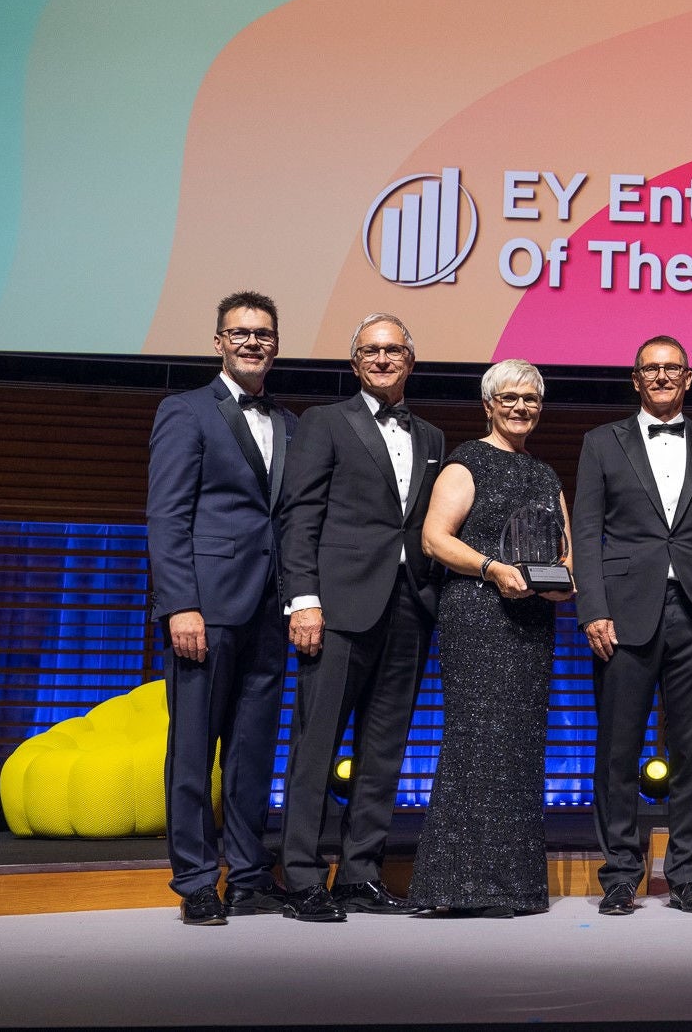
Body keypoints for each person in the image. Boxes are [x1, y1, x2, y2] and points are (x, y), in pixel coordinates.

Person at [277, 313, 445, 922]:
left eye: (393, 350)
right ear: (354, 364)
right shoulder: (324, 422)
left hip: (408, 606)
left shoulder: (432, 436)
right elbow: (299, 516)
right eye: (370, 351)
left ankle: (359, 875)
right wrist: (303, 599)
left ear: (410, 361)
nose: (382, 359)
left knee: (384, 750)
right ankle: (301, 877)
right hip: (337, 607)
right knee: (315, 746)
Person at [146, 291, 295, 925]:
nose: (252, 342)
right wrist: (180, 604)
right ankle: (196, 880)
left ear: (276, 345)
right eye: (240, 333)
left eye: (263, 334)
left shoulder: (288, 422)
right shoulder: (185, 411)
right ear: (218, 343)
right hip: (205, 610)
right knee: (191, 751)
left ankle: (249, 875)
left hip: (270, 609)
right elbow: (166, 515)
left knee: (252, 752)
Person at [572, 336, 692, 917]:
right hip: (621, 613)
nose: (662, 376)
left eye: (672, 368)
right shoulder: (601, 442)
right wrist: (592, 608)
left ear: (688, 378)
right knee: (618, 750)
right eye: (651, 368)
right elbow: (585, 530)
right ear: (635, 379)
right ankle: (620, 874)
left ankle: (687, 874)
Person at [411, 360, 572, 917]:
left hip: (532, 623)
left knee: (519, 749)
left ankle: (513, 887)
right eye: (509, 398)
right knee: (476, 744)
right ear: (488, 405)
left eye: (531, 399)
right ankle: (459, 887)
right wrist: (493, 569)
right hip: (478, 617)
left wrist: (559, 585)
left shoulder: (546, 475)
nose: (521, 407)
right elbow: (434, 539)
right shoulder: (467, 462)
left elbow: (565, 557)